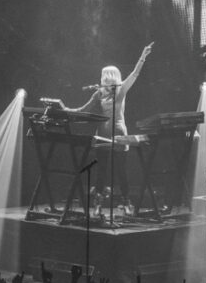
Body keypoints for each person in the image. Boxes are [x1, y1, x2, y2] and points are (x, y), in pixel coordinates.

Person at [66, 42, 154, 201]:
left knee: (121, 170)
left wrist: (143, 57)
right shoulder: (99, 93)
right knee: (102, 169)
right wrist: (65, 110)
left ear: (111, 77)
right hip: (102, 134)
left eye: (105, 75)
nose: (103, 78)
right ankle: (99, 198)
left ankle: (125, 199)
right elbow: (83, 109)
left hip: (118, 134)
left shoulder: (121, 89)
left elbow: (135, 74)